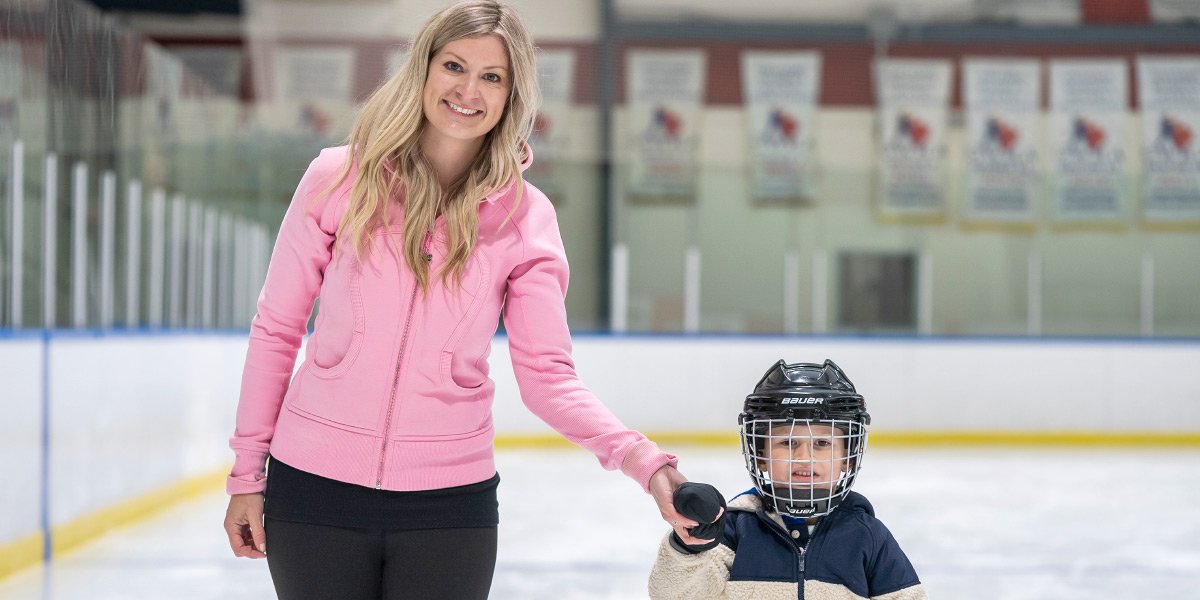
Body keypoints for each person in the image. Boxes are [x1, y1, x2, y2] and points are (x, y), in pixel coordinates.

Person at [220, 2, 700, 597]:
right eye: (453, 65)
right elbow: (276, 328)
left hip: (448, 507)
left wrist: (644, 461)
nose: (468, 89)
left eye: (492, 76)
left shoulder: (526, 219)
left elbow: (548, 377)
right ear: (422, 69)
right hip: (313, 488)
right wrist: (248, 472)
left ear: (511, 95)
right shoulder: (338, 178)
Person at [648, 359, 926, 599]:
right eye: (788, 443)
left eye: (821, 444)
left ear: (848, 456)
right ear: (761, 454)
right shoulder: (735, 530)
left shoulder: (867, 536)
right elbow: (674, 595)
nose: (804, 458)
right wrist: (691, 546)